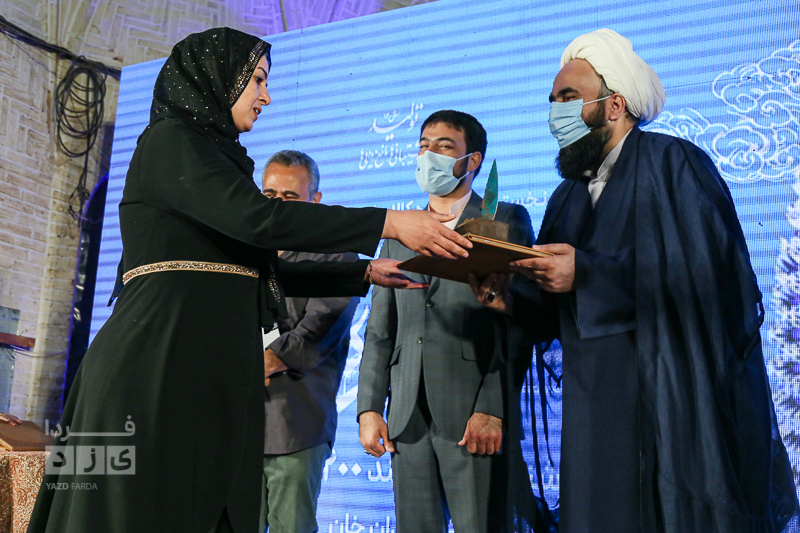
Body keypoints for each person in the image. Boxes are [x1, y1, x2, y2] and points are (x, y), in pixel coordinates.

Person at [27, 27, 472, 533]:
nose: (266, 96)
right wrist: (386, 222)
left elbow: (247, 267)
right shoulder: (172, 141)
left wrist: (362, 270)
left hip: (197, 368)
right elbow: (260, 221)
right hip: (156, 363)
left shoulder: (218, 159)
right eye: (257, 79)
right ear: (215, 78)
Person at [471, 29, 800, 533]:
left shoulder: (674, 163)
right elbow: (556, 307)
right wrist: (509, 299)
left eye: (568, 98)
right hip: (589, 404)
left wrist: (588, 272)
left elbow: (709, 276)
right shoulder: (565, 197)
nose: (555, 113)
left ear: (614, 105)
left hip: (667, 397)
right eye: (552, 101)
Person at [358, 110, 535, 532]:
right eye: (423, 146)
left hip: (472, 416)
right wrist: (369, 408)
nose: (429, 155)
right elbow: (379, 331)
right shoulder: (398, 232)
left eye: (443, 147)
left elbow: (518, 326)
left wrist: (492, 408)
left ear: (471, 161)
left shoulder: (505, 221)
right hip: (406, 417)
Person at [257, 150, 358, 533]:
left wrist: (259, 363)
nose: (278, 205)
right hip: (238, 422)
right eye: (269, 195)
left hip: (295, 423)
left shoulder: (337, 255)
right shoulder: (243, 252)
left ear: (315, 199)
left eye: (290, 197)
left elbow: (319, 327)